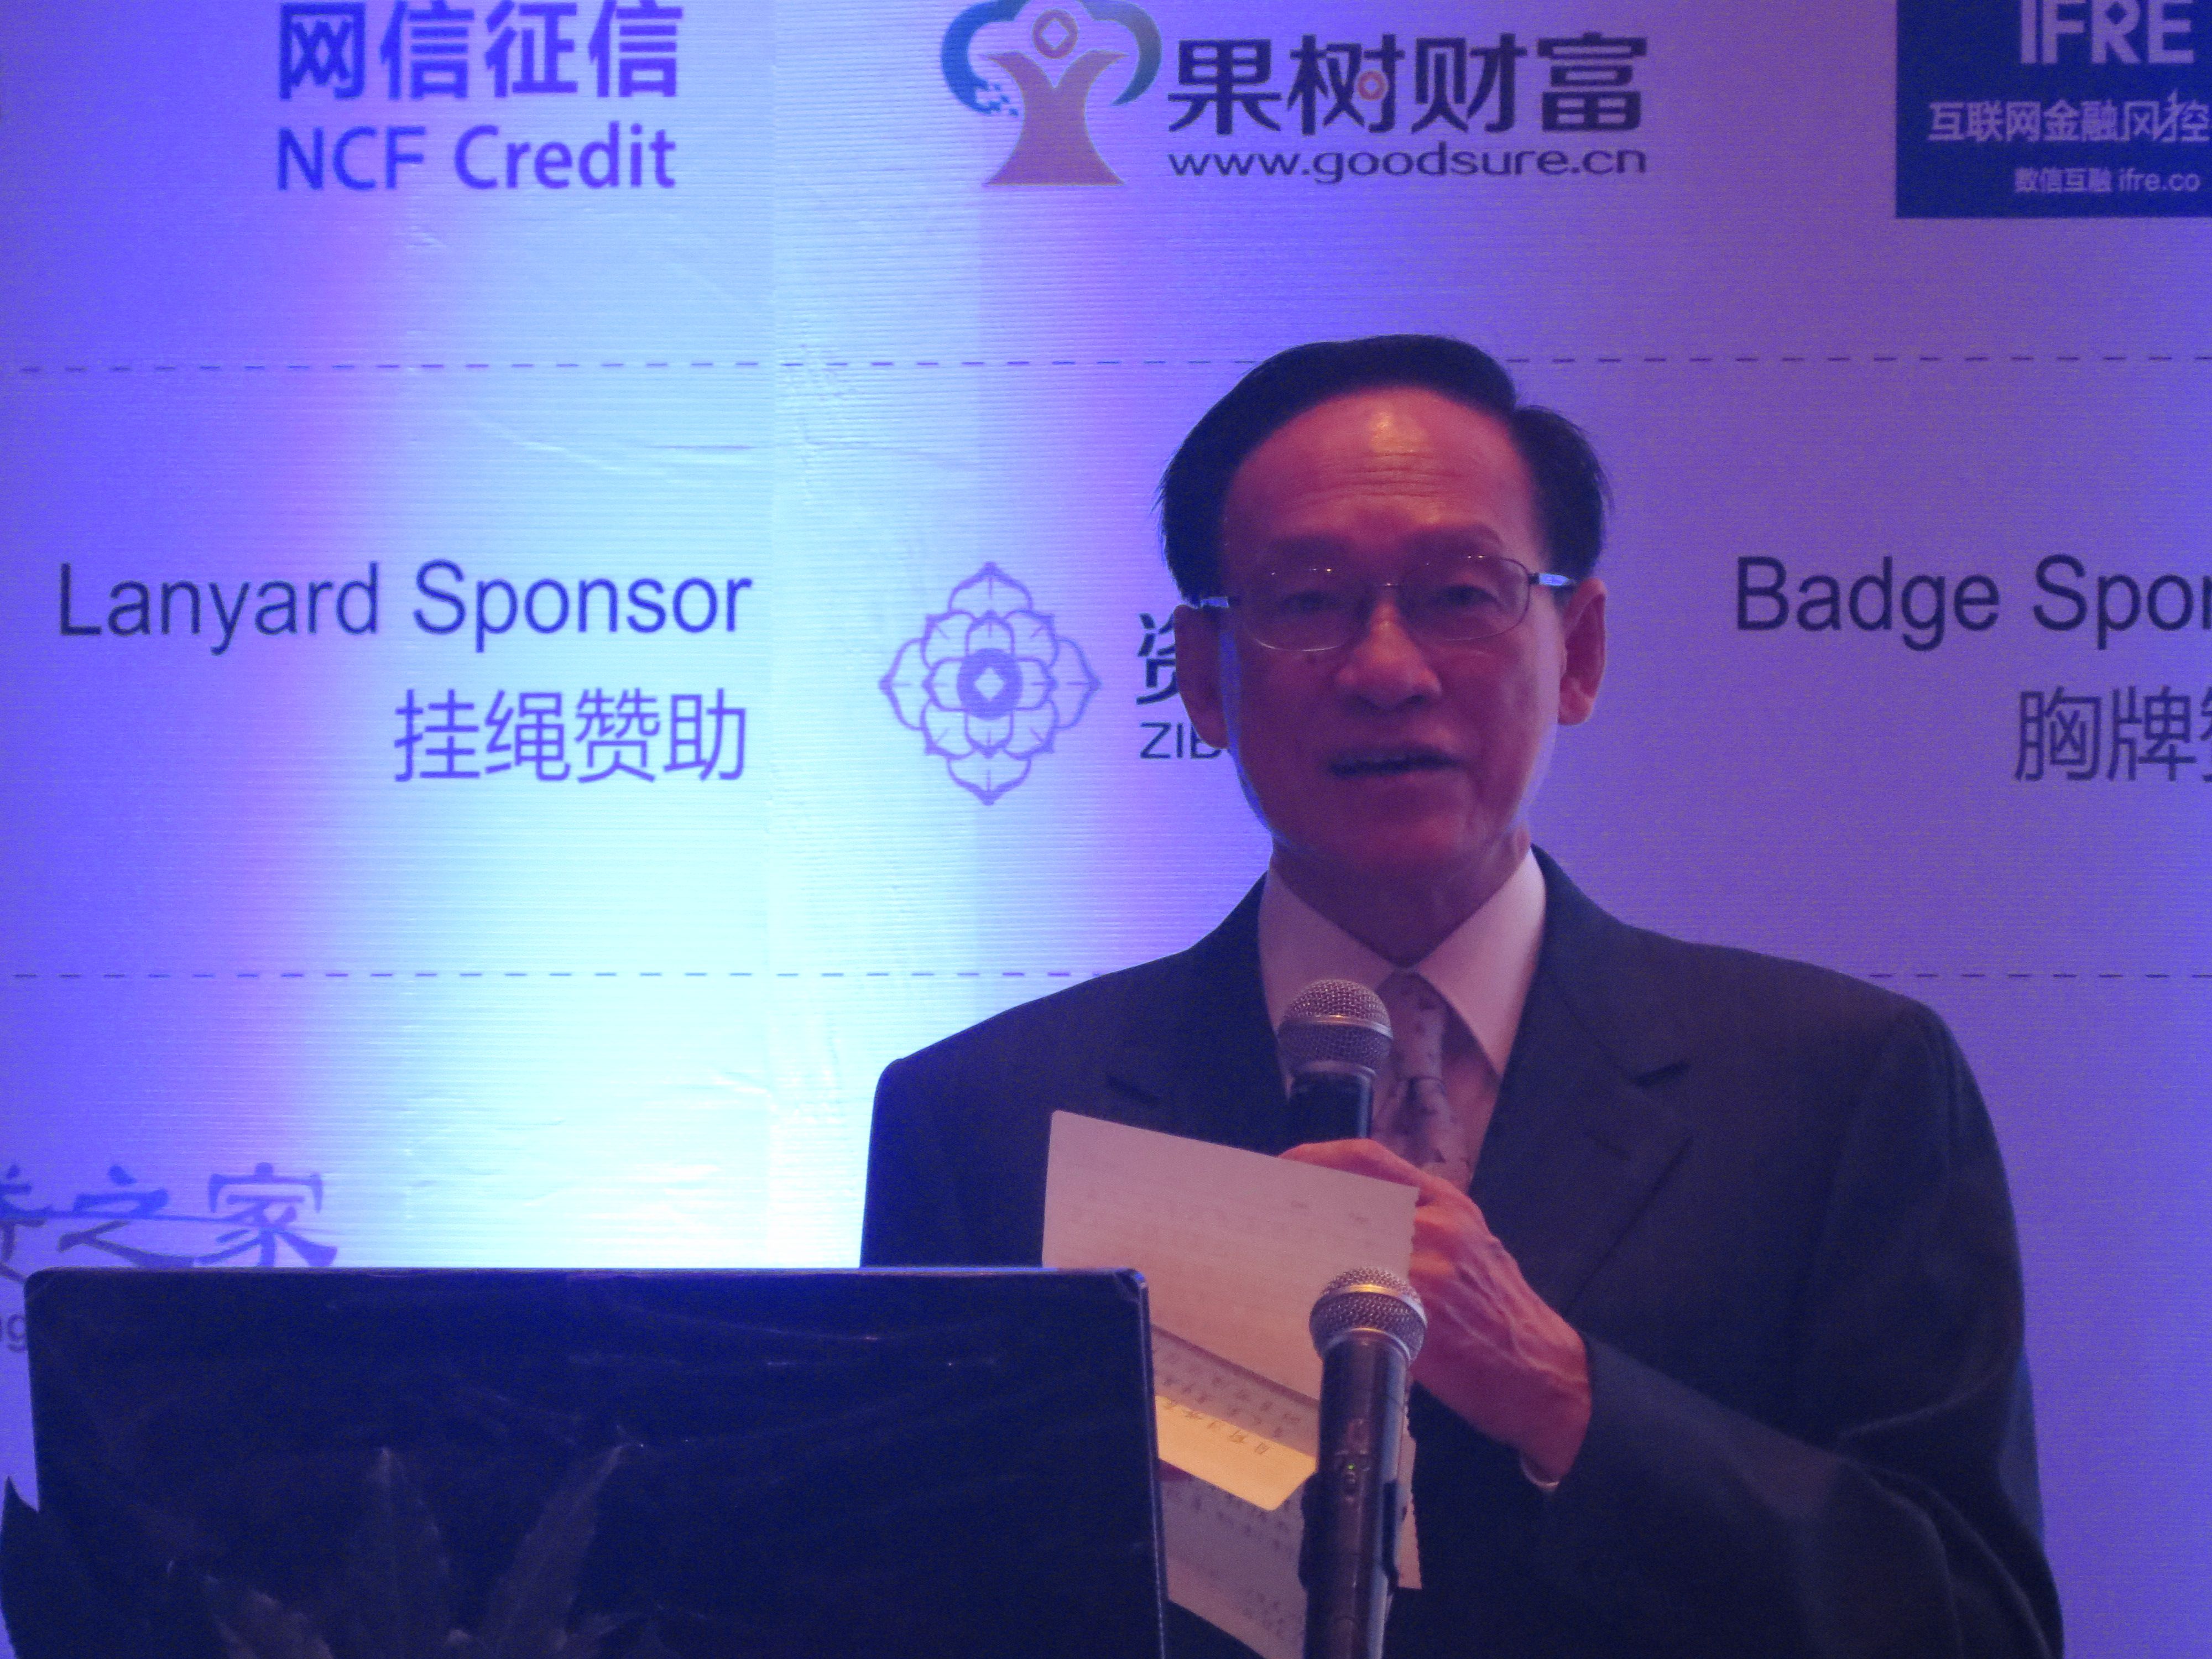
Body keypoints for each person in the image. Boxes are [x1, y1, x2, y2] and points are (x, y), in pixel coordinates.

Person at [861, 336, 2062, 1658]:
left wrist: (1561, 1394)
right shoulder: (988, 1122)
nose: (1385, 668)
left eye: (1457, 594)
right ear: (1202, 674)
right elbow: (903, 1608)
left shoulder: (1836, 1088)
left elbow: (1974, 1625)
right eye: (1307, 600)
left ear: (1578, 650)